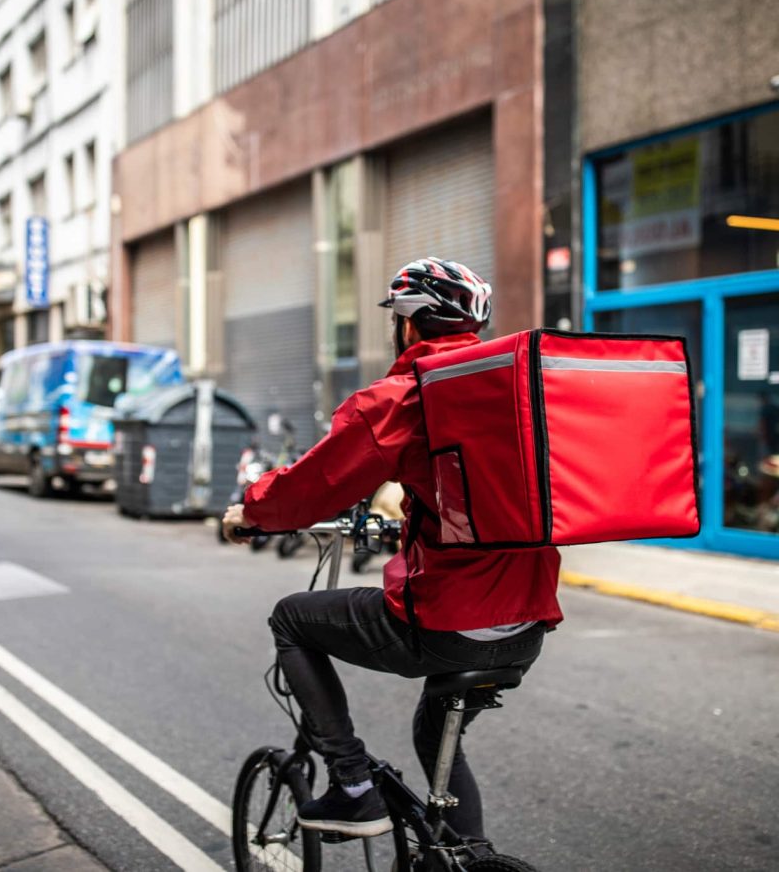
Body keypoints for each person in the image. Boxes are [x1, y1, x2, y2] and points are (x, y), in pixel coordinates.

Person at [223, 257, 563, 841]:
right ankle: (466, 855)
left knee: (293, 619)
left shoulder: (405, 397)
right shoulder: (513, 392)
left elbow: (313, 486)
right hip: (526, 624)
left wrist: (251, 513)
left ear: (407, 326)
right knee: (438, 740)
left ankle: (354, 787)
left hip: (450, 621)